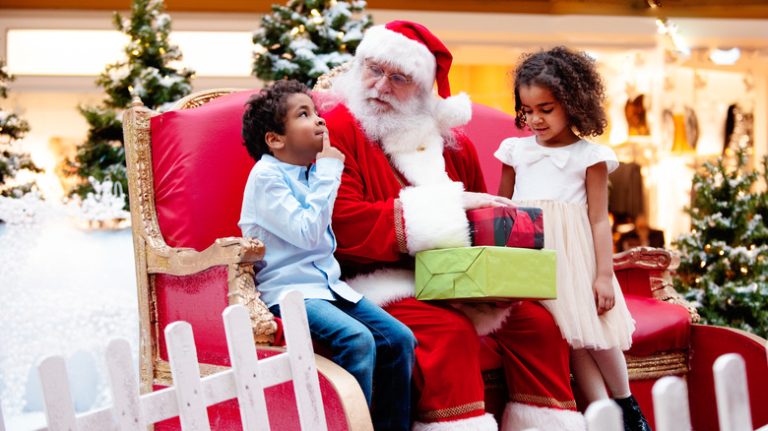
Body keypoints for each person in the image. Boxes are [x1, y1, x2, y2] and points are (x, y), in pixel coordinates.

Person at [323, 21, 584, 430]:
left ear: (425, 92)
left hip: (456, 279)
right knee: (448, 331)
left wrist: (497, 282)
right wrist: (449, 205)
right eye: (373, 69)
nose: (379, 86)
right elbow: (345, 225)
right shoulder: (338, 129)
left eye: (398, 78)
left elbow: (486, 226)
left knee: (537, 323)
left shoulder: (450, 142)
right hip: (376, 279)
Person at [239, 79, 416, 431]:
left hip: (328, 288)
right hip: (290, 293)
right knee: (357, 340)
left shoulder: (309, 175)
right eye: (304, 114)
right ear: (275, 140)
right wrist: (329, 171)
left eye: (317, 112)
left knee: (400, 340)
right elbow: (306, 232)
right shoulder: (266, 177)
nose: (319, 121)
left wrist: (322, 174)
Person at [495, 46, 651, 431]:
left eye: (545, 109)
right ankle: (603, 415)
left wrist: (603, 275)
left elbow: (599, 220)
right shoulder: (515, 151)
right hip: (534, 256)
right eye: (528, 110)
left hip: (576, 258)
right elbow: (501, 208)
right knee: (572, 335)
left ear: (573, 102)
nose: (535, 119)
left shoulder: (589, 156)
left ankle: (626, 405)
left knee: (594, 332)